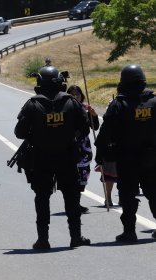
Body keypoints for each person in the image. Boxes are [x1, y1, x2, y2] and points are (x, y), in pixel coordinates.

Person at [15, 66, 91, 249]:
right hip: (67, 156)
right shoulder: (71, 102)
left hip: (41, 158)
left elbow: (20, 132)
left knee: (42, 198)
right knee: (71, 197)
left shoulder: (32, 104)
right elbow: (85, 128)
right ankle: (76, 237)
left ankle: (43, 239)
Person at [95, 64, 156, 242]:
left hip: (127, 159)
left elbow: (106, 132)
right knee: (153, 192)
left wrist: (100, 152)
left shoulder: (119, 104)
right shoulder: (153, 102)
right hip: (152, 159)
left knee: (128, 195)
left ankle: (129, 231)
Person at [67, 85, 99, 213]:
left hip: (84, 149)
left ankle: (76, 203)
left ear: (81, 96)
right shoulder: (65, 109)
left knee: (83, 176)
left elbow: (95, 127)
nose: (75, 96)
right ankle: (73, 204)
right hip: (70, 147)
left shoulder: (85, 110)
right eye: (72, 94)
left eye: (78, 94)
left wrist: (94, 115)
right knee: (71, 176)